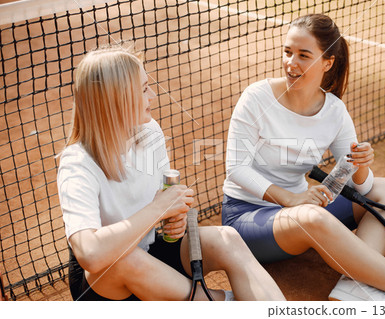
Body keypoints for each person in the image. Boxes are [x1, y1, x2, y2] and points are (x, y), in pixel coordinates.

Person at [222, 14, 385, 301]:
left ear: (327, 63)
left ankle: (353, 285)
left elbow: (364, 190)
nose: (291, 62)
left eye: (304, 55)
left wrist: (362, 168)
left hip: (302, 212)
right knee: (313, 216)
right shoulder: (256, 97)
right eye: (287, 51)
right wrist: (290, 199)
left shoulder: (334, 111)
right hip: (247, 218)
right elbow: (236, 169)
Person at [57, 45, 285, 301]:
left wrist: (173, 218)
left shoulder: (149, 132)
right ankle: (219, 302)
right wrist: (159, 209)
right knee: (124, 258)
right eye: (144, 89)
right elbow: (91, 254)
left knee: (227, 238)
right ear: (116, 98)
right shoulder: (77, 163)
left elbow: (161, 205)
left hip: (152, 249)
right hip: (105, 287)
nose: (153, 95)